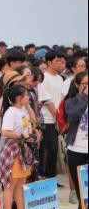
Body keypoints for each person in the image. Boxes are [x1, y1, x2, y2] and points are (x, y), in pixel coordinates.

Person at [0, 85, 39, 209]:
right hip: (13, 150)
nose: (28, 97)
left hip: (23, 149)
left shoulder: (22, 111)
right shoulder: (11, 112)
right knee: (10, 184)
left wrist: (27, 105)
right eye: (26, 95)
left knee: (21, 183)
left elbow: (34, 120)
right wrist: (21, 136)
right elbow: (5, 132)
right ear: (19, 97)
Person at [37, 50, 66, 178]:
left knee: (54, 150)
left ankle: (51, 176)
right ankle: (45, 176)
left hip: (57, 118)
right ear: (49, 62)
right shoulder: (44, 78)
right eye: (57, 61)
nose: (60, 63)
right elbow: (47, 100)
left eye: (61, 61)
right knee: (49, 149)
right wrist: (56, 118)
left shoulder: (60, 78)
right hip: (47, 119)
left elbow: (61, 98)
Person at [64, 72, 88, 209]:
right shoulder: (70, 101)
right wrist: (84, 97)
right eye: (85, 84)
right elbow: (73, 115)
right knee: (80, 188)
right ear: (77, 85)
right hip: (76, 149)